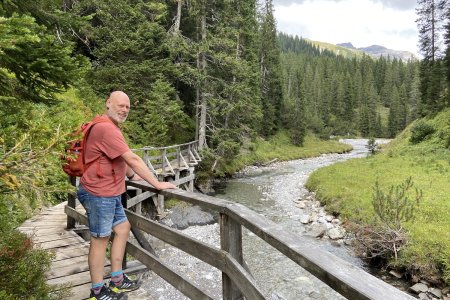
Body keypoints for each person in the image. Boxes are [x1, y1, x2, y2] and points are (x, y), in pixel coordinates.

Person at [77, 91, 177, 300]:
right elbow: (132, 158)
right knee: (100, 239)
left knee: (122, 228)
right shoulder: (106, 128)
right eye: (120, 105)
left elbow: (119, 158)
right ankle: (97, 291)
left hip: (110, 191)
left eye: (127, 107)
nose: (124, 110)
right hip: (99, 192)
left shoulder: (110, 127)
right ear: (108, 104)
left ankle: (117, 279)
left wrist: (132, 176)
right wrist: (156, 183)